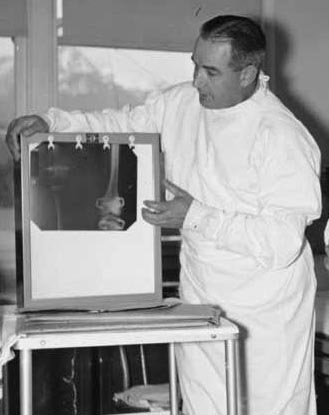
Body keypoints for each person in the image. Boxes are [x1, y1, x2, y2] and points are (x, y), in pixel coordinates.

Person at [6, 15, 321, 415]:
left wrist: (194, 215)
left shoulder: (281, 137)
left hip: (266, 317)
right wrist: (52, 123)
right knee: (203, 406)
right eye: (194, 65)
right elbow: (120, 124)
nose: (196, 81)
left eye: (210, 71)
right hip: (203, 301)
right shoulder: (181, 104)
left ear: (248, 74)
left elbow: (282, 242)